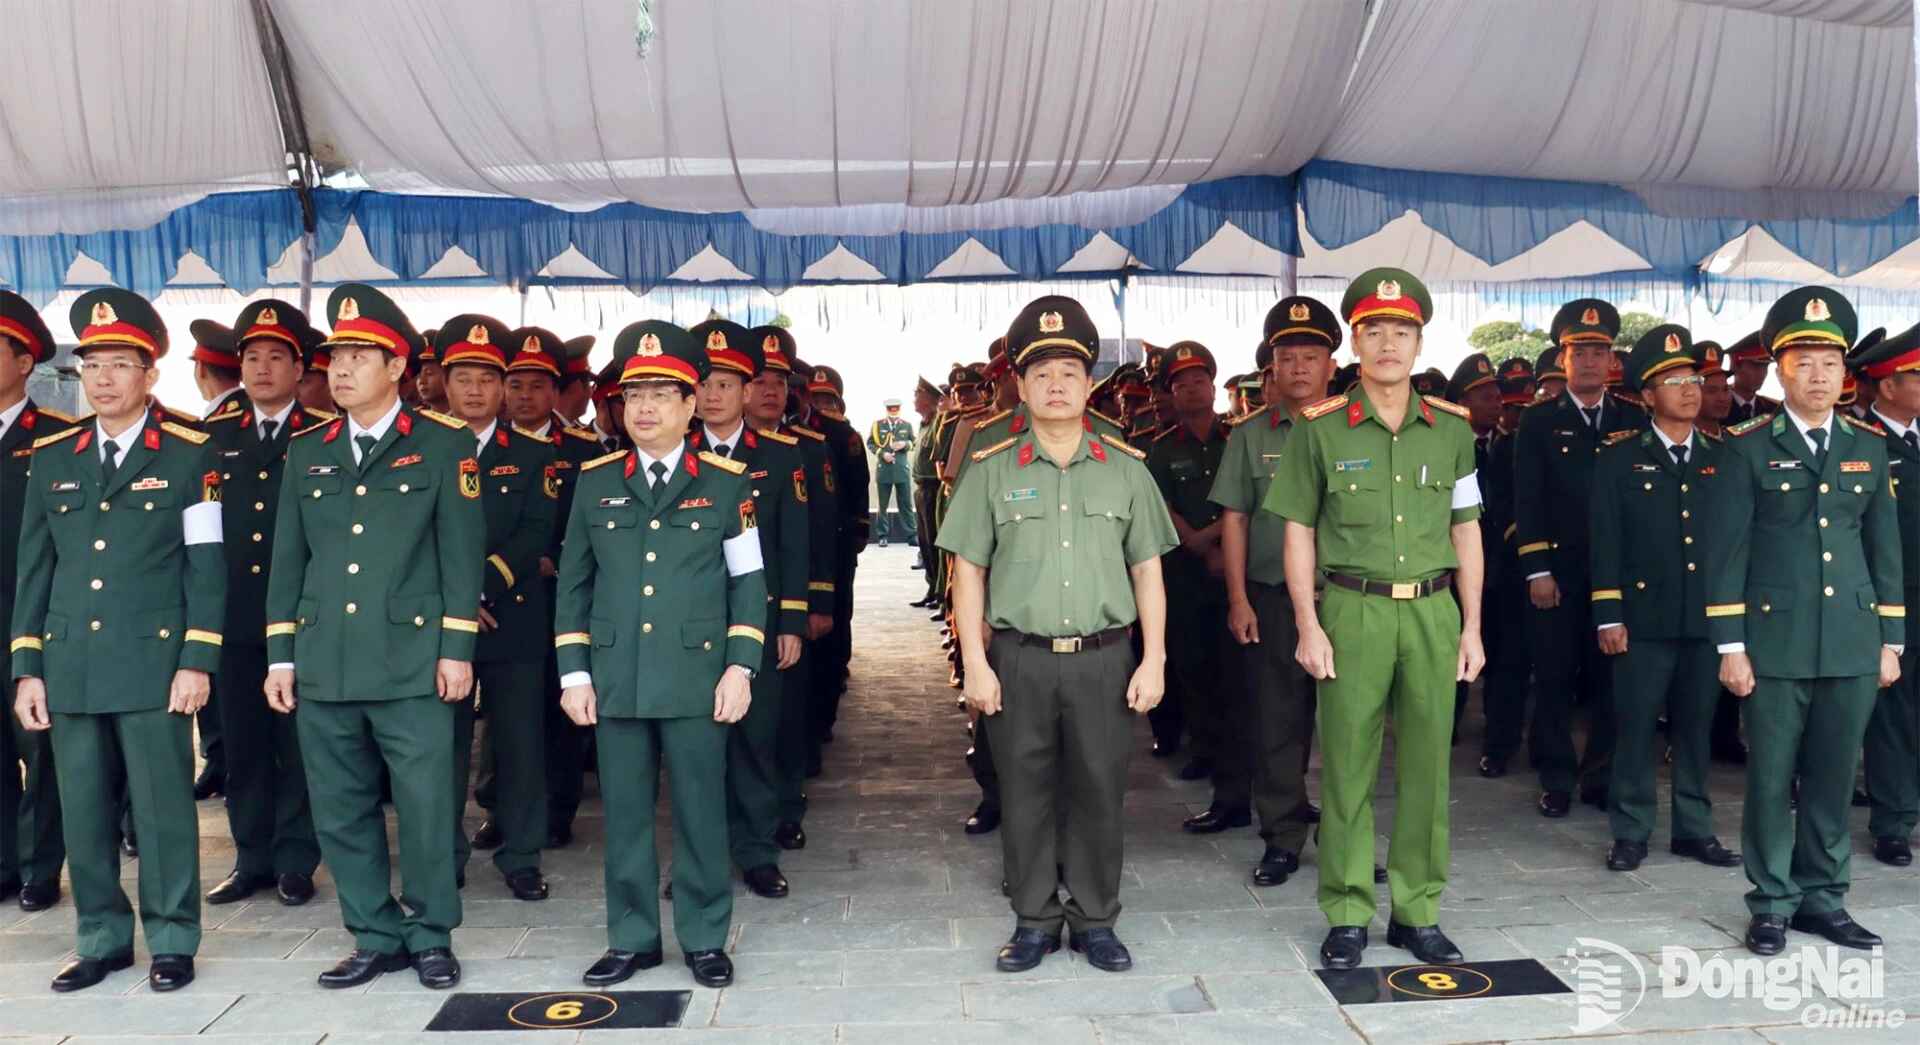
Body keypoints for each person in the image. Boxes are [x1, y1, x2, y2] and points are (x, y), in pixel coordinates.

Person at [939, 295, 1175, 975]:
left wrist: (1154, 657)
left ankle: (1097, 917)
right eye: (1040, 373)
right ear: (1019, 384)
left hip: (1104, 657)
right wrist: (976, 663)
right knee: (1026, 788)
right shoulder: (991, 468)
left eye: (1069, 371)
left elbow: (1148, 572)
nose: (1055, 384)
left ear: (1089, 381)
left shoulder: (1126, 467)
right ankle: (1035, 917)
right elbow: (969, 575)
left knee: (1101, 787)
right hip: (1021, 658)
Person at [1263, 267, 1485, 970]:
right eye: (1373, 331)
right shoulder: (1319, 429)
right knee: (1347, 768)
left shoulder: (1451, 430)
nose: (1388, 343)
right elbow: (1297, 528)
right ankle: (1349, 910)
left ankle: (1417, 910)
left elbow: (1467, 531)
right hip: (1352, 610)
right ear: (1353, 344)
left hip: (1430, 612)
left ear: (1420, 342)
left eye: (1402, 331)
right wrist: (1307, 622)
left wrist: (1472, 626)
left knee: (1427, 769)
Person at [264, 283, 484, 990]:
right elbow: (288, 559)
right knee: (341, 806)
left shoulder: (443, 443)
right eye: (336, 356)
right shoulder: (308, 449)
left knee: (424, 805)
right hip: (326, 658)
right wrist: (281, 652)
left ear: (398, 367)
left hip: (412, 660)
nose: (342, 368)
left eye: (361, 355)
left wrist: (456, 649)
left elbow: (461, 554)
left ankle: (429, 931)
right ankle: (372, 931)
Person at [11, 289, 225, 993]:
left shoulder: (193, 453)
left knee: (163, 810)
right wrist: (27, 667)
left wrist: (197, 658)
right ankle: (101, 937)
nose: (102, 379)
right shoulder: (52, 455)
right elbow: (35, 570)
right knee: (83, 808)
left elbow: (206, 566)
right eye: (90, 365)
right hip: (70, 663)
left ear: (149, 373)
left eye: (118, 364)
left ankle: (171, 938)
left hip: (152, 662)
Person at [555, 320, 766, 989]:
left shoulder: (730, 484)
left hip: (698, 675)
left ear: (689, 402)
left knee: (701, 809)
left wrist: (741, 665)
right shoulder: (593, 481)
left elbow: (749, 582)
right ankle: (634, 937)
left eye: (661, 393)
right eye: (633, 393)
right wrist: (573, 671)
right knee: (623, 813)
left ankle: (705, 934)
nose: (644, 406)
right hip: (616, 677)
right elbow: (574, 584)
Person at [1708, 286, 1903, 957]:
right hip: (1774, 642)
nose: (1818, 375)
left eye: (1829, 362)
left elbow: (1885, 550)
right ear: (1779, 369)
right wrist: (1730, 645)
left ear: (1846, 372)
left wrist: (1890, 640)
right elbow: (1726, 550)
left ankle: (1825, 896)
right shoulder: (1746, 446)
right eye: (1803, 362)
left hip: (1852, 638)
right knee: (1770, 777)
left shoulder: (1868, 446)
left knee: (1832, 773)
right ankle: (1770, 901)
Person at [1588, 325, 1742, 873]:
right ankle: (1631, 829)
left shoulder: (1725, 456)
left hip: (1705, 619)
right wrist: (1609, 614)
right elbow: (1605, 540)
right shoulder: (1619, 457)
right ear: (1647, 396)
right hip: (1643, 620)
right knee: (1635, 727)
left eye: (1695, 380)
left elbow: (1734, 543)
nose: (1689, 389)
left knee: (1696, 727)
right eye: (1673, 381)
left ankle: (1694, 829)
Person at [200, 300, 331, 909]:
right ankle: (251, 855)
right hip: (231, 618)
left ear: (300, 368)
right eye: (251, 357)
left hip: (299, 620)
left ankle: (297, 858)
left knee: (296, 745)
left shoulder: (322, 435)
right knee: (242, 741)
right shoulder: (214, 437)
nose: (261, 368)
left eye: (276, 357)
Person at [1211, 296, 1337, 888]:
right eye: (1288, 358)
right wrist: (1237, 598)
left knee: (1347, 726)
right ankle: (1282, 838)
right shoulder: (1249, 435)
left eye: (1311, 357)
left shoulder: (1359, 427)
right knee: (1277, 725)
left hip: (1345, 598)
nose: (1300, 369)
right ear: (1272, 368)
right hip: (1272, 602)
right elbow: (1235, 519)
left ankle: (1345, 840)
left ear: (1333, 365)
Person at [432, 318, 558, 901]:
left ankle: (522, 854)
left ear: (503, 388)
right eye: (464, 378)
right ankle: (444, 855)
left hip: (513, 614)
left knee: (521, 741)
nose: (476, 390)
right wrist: (455, 600)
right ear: (443, 383)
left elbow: (539, 528)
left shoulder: (533, 453)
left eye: (488, 379)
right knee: (442, 743)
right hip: (436, 621)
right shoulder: (422, 447)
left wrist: (480, 588)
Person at [1513, 299, 1647, 818]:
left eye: (1599, 351)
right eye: (1579, 352)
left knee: (1611, 677)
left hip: (1617, 575)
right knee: (1553, 676)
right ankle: (1556, 776)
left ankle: (1601, 775)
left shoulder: (1632, 417)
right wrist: (1537, 569)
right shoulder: (1541, 420)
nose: (1590, 361)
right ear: (1563, 358)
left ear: (1612, 359)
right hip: (1560, 572)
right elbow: (1528, 499)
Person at [689, 321, 808, 899]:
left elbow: (792, 545)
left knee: (756, 740)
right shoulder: (675, 454)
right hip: (687, 631)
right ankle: (699, 853)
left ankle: (758, 850)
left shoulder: (780, 457)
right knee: (694, 749)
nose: (712, 394)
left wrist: (790, 622)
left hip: (756, 623)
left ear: (745, 391)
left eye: (725, 383)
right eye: (703, 384)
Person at [746, 324, 833, 850]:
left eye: (779, 381)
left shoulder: (805, 448)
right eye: (759, 380)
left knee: (784, 713)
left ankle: (785, 805)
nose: (770, 391)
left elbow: (818, 533)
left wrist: (814, 604)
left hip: (785, 602)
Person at [0, 291, 73, 916]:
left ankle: (40, 866)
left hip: (32, 621)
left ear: (26, 362)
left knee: (41, 750)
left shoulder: (54, 439)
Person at [1148, 342, 1236, 801]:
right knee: (1192, 665)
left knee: (1235, 666)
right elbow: (1161, 510)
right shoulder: (1161, 451)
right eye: (1181, 384)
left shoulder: (1238, 439)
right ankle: (1202, 749)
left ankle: (1236, 751)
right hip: (1183, 574)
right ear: (1172, 394)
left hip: (1236, 572)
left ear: (1213, 386)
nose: (1191, 390)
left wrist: (1221, 538)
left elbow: (1252, 500)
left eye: (1198, 381)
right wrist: (1200, 544)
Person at [1849, 322, 1919, 867]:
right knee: (1890, 712)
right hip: (1887, 600)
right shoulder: (1861, 442)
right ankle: (1893, 820)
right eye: (1916, 375)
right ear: (1887, 385)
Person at [910, 376, 943, 602]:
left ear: (928, 399)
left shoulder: (938, 422)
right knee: (924, 542)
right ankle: (931, 588)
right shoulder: (922, 425)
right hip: (921, 489)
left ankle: (940, 593)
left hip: (933, 487)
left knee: (934, 542)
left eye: (917, 394)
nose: (914, 399)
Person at [869, 398, 917, 546]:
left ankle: (912, 535)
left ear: (899, 409)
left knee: (906, 504)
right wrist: (882, 454)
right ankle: (882, 535)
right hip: (884, 470)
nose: (893, 411)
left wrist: (905, 444)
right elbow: (870, 443)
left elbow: (914, 442)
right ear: (887, 410)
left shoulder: (906, 425)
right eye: (891, 409)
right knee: (882, 505)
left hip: (901, 470)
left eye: (896, 408)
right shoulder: (878, 425)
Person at [1723, 331, 1779, 426]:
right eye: (1756, 366)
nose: (1762, 373)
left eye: (1765, 366)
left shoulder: (1774, 409)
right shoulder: (1718, 408)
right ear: (1735, 366)